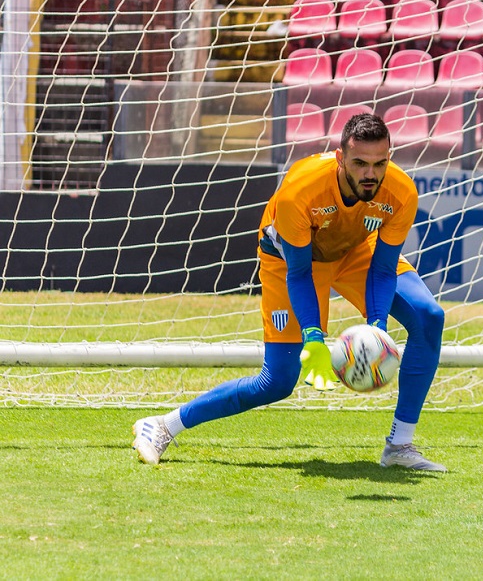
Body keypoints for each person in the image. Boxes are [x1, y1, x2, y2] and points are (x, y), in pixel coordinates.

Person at [132, 113, 446, 472]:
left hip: (355, 250)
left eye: (380, 164)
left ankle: (399, 446)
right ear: (340, 158)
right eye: (360, 163)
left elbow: (383, 269)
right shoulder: (301, 189)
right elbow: (299, 273)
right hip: (292, 261)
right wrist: (313, 337)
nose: (370, 174)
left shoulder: (401, 192)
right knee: (277, 382)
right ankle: (162, 425)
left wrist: (377, 329)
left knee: (428, 317)